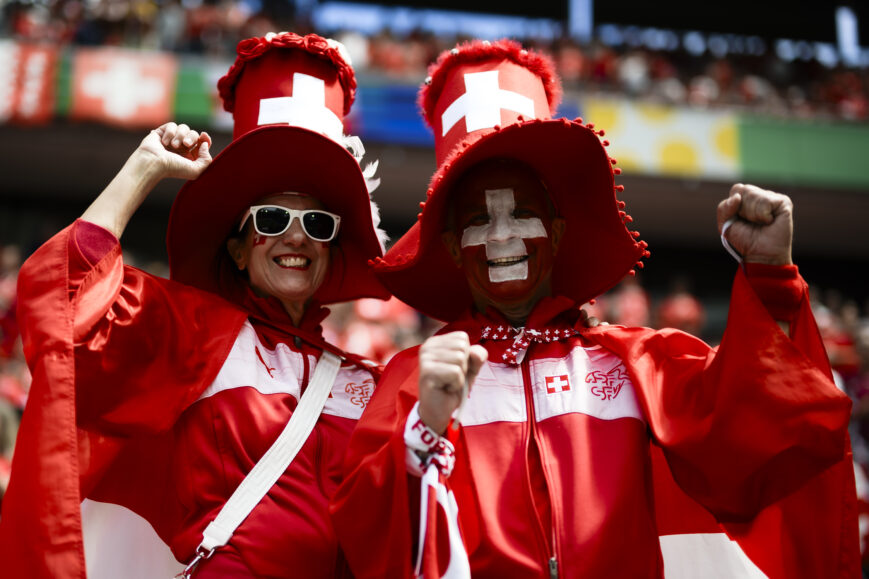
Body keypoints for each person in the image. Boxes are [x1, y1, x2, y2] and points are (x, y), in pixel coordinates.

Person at [330, 39, 859, 578]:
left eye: (522, 214)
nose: (502, 236)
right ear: (449, 248)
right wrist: (425, 428)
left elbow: (760, 435)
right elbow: (367, 535)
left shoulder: (641, 361)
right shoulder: (409, 380)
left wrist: (770, 278)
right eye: (479, 222)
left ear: (558, 235)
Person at [0, 32, 389, 579]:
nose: (295, 239)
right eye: (272, 220)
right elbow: (60, 303)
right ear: (237, 246)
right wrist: (141, 169)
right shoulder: (193, 330)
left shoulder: (372, 384)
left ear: (332, 248)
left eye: (316, 224)